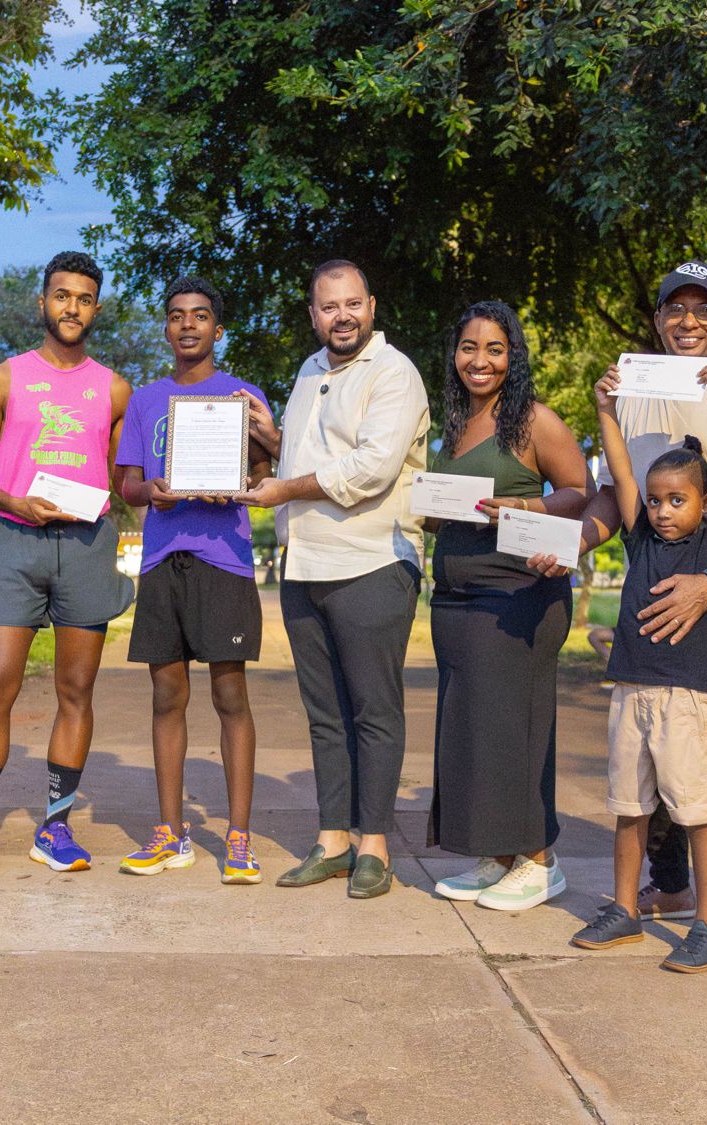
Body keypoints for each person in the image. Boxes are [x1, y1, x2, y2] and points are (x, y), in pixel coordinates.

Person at [532, 261, 707, 958]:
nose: (688, 321)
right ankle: (666, 886)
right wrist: (573, 542)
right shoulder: (635, 388)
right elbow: (614, 497)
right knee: (643, 778)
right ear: (656, 319)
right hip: (650, 626)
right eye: (674, 309)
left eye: (703, 309)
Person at [0, 251, 134, 883]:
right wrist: (12, 501)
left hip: (85, 546)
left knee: (77, 692)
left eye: (83, 298)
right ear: (42, 301)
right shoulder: (3, 378)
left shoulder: (115, 388)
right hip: (15, 541)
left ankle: (56, 827)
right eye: (61, 296)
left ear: (96, 308)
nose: (71, 307)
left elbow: (122, 477)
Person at [234, 260, 430, 899]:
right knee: (325, 714)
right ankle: (333, 840)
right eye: (328, 307)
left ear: (371, 306)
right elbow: (310, 453)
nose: (341, 316)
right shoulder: (310, 370)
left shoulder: (394, 373)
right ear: (312, 314)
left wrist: (281, 489)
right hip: (307, 564)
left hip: (372, 560)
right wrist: (268, 433)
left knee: (373, 709)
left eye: (352, 304)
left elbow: (370, 469)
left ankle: (373, 846)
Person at [569, 359, 707, 974]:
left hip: (685, 697)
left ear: (702, 503)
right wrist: (605, 413)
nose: (665, 510)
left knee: (696, 811)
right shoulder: (640, 537)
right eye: (658, 499)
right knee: (629, 807)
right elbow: (618, 471)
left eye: (678, 500)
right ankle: (624, 911)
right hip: (631, 692)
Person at [424, 301, 589, 911]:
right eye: (469, 348)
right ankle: (496, 858)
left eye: (494, 349)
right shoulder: (454, 423)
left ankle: (541, 862)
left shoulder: (533, 422)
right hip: (456, 597)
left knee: (515, 728)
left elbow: (582, 492)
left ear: (512, 357)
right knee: (472, 731)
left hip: (518, 595)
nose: (480, 360)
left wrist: (531, 509)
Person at [113, 276, 273, 884]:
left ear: (217, 329)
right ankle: (169, 833)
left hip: (223, 560)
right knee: (167, 696)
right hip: (162, 561)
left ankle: (237, 837)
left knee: (230, 696)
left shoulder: (243, 396)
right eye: (177, 316)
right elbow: (124, 483)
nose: (187, 325)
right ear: (167, 327)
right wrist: (149, 492)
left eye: (200, 316)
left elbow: (263, 477)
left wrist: (243, 482)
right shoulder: (148, 401)